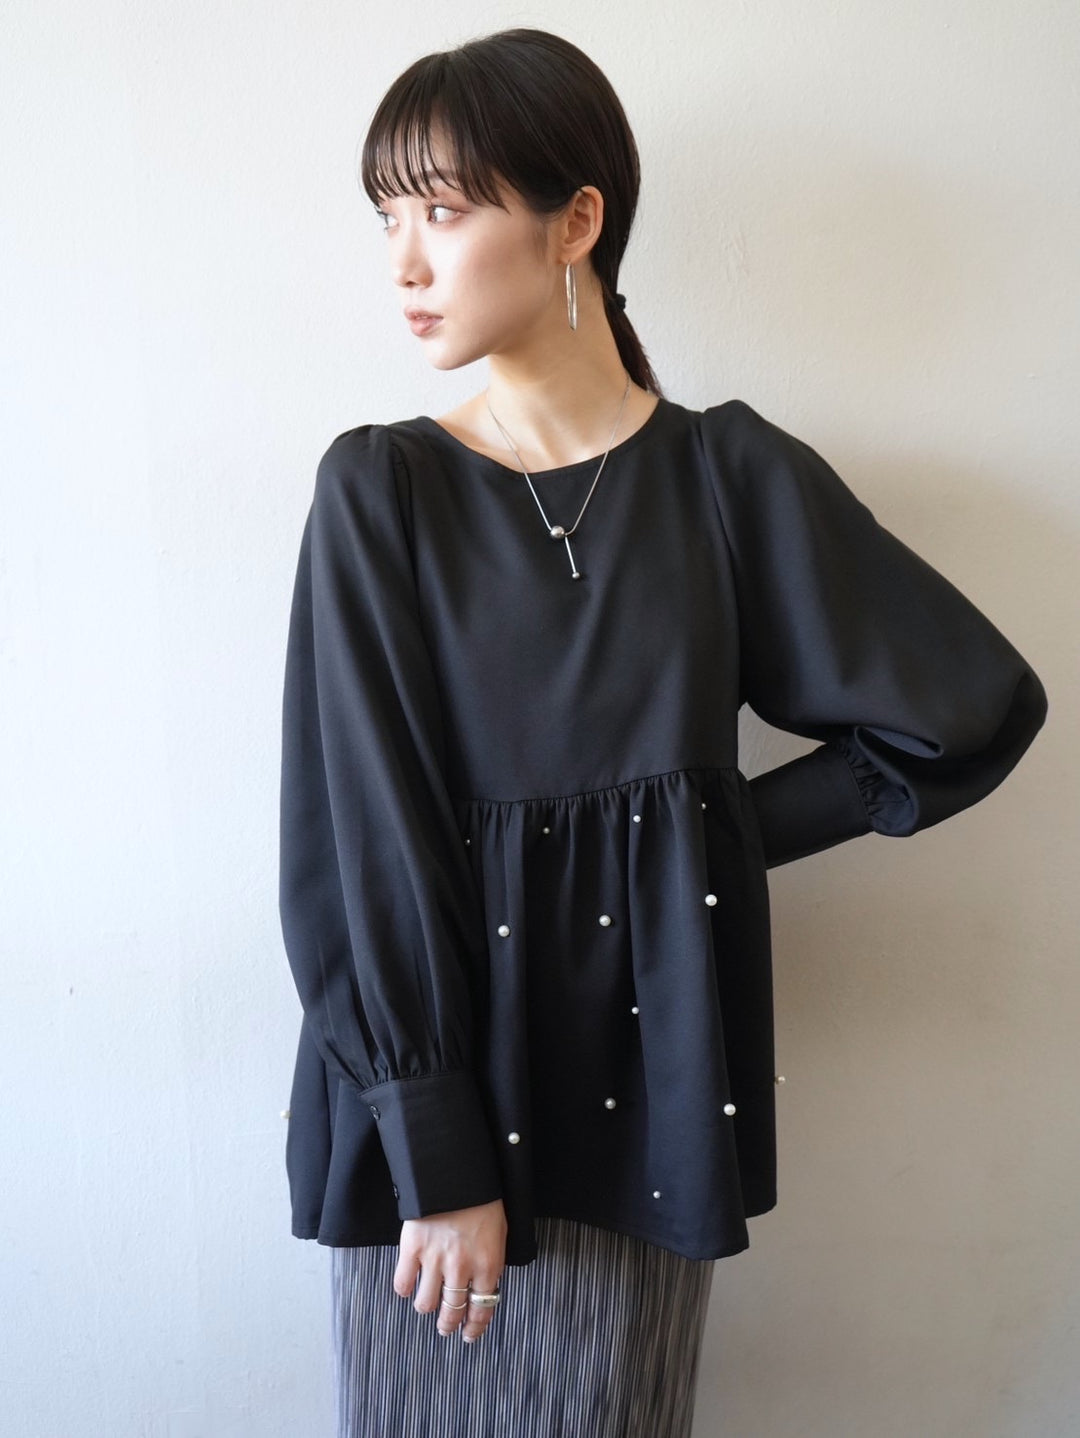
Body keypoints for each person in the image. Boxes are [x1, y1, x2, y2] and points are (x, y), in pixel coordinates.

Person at [276, 26, 1049, 1438]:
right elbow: (358, 837)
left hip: (640, 1107)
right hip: (433, 1125)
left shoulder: (724, 477)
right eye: (387, 218)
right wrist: (438, 1147)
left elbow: (966, 707)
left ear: (576, 221)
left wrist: (717, 829)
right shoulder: (382, 492)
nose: (403, 263)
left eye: (441, 212)